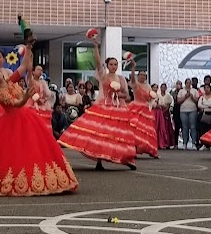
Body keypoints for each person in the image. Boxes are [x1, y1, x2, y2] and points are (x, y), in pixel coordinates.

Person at [0, 42, 78, 198]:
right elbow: (16, 104)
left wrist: (29, 47)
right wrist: (26, 97)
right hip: (13, 122)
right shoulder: (1, 93)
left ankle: (40, 177)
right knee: (16, 152)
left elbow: (23, 66)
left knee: (34, 149)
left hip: (27, 118)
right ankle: (20, 180)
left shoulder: (10, 81)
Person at [58, 36, 137, 170]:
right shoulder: (104, 76)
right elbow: (98, 62)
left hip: (118, 108)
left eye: (115, 64)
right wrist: (95, 47)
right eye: (111, 64)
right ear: (107, 65)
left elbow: (127, 95)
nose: (113, 66)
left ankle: (125, 158)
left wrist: (117, 94)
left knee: (119, 135)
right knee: (101, 134)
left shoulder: (121, 79)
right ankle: (99, 161)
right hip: (105, 107)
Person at [127, 66, 159, 158]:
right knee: (134, 129)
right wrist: (133, 68)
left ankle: (150, 149)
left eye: (144, 75)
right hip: (136, 107)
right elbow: (132, 79)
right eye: (141, 75)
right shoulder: (135, 84)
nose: (142, 76)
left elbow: (150, 98)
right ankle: (134, 149)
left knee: (147, 130)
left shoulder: (148, 86)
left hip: (145, 108)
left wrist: (152, 98)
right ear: (138, 76)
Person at [196, 78, 211, 151]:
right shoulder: (202, 97)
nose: (206, 89)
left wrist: (205, 105)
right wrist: (207, 106)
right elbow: (199, 105)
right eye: (205, 88)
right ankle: (205, 144)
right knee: (204, 130)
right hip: (204, 115)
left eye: (208, 88)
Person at [176, 78, 199, 150]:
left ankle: (193, 143)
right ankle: (184, 143)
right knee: (184, 127)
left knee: (193, 127)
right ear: (185, 83)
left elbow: (197, 101)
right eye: (187, 83)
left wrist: (192, 97)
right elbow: (178, 101)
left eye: (190, 83)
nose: (188, 84)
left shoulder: (194, 91)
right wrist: (185, 96)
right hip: (183, 111)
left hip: (193, 110)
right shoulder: (181, 91)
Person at [153, 82, 175, 151]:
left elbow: (167, 106)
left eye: (164, 87)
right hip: (156, 112)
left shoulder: (167, 96)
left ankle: (166, 142)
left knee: (165, 128)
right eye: (162, 87)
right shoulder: (156, 95)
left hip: (164, 113)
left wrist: (163, 111)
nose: (163, 88)